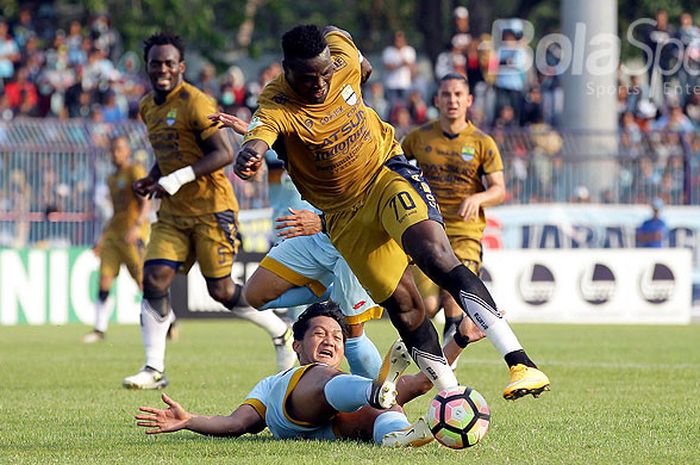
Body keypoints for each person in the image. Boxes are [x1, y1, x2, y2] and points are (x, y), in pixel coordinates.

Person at [211, 25, 549, 400]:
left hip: (385, 173)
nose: (322, 84)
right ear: (287, 71)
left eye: (326, 74)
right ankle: (450, 397)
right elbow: (259, 137)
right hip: (342, 217)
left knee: (435, 256)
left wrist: (355, 73)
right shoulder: (277, 103)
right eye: (310, 79)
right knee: (404, 305)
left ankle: (520, 363)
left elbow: (352, 53)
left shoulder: (338, 55)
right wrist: (251, 153)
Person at [122, 32, 295, 390]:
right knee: (153, 279)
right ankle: (154, 368)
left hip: (212, 209)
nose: (163, 69)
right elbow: (170, 151)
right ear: (148, 67)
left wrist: (176, 179)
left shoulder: (197, 103)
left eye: (170, 63)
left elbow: (223, 153)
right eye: (156, 63)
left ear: (181, 67)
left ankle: (280, 331)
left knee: (220, 290)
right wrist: (154, 179)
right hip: (172, 212)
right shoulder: (147, 106)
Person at [134, 301, 485, 446]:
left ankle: (399, 435)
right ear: (297, 345)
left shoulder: (346, 380)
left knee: (384, 407)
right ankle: (379, 392)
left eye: (337, 336)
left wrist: (462, 338)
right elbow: (237, 424)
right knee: (331, 379)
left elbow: (424, 382)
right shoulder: (275, 383)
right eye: (319, 334)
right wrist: (190, 420)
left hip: (338, 420)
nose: (330, 340)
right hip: (293, 414)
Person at [401, 73, 506, 344]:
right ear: (437, 99)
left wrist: (478, 199)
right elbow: (394, 172)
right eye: (446, 94)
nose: (452, 100)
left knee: (454, 297)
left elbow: (499, 189)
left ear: (468, 100)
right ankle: (436, 363)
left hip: (464, 231)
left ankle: (449, 371)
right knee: (427, 305)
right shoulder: (418, 138)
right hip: (428, 229)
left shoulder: (482, 142)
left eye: (458, 94)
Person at [83, 135, 150, 343]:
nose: (116, 153)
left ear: (127, 151)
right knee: (104, 279)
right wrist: (102, 238)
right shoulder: (111, 179)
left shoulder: (135, 171)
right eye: (113, 150)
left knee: (144, 284)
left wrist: (137, 227)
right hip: (114, 235)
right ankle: (99, 329)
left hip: (132, 234)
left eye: (120, 149)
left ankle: (170, 321)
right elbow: (116, 212)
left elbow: (146, 201)